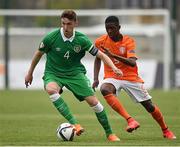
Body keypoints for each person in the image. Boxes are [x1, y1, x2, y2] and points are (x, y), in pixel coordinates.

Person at [24, 10, 123, 141]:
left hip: (75, 73)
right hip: (54, 73)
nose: (65, 27)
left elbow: (101, 55)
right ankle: (75, 123)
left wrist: (114, 68)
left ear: (76, 23)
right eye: (63, 23)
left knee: (94, 102)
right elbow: (38, 54)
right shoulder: (51, 37)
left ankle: (110, 133)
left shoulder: (81, 39)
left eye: (69, 24)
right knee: (51, 89)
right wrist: (29, 72)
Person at [93, 15, 176, 140]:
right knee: (104, 89)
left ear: (119, 27)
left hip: (130, 77)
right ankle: (130, 120)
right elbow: (98, 58)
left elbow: (132, 62)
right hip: (112, 75)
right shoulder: (100, 41)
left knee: (149, 106)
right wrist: (96, 78)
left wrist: (113, 55)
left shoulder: (128, 41)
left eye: (112, 28)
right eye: (107, 28)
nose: (109, 31)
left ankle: (166, 130)